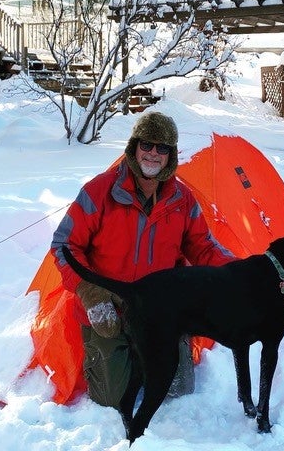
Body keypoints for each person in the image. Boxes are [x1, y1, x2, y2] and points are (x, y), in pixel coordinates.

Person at [51, 111, 235, 409]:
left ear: (171, 155)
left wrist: (240, 274)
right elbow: (64, 245)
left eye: (162, 148)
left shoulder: (182, 200)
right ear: (135, 146)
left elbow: (203, 246)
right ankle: (123, 355)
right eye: (147, 144)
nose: (153, 153)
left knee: (178, 392)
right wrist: (90, 292)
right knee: (112, 399)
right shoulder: (100, 192)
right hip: (109, 311)